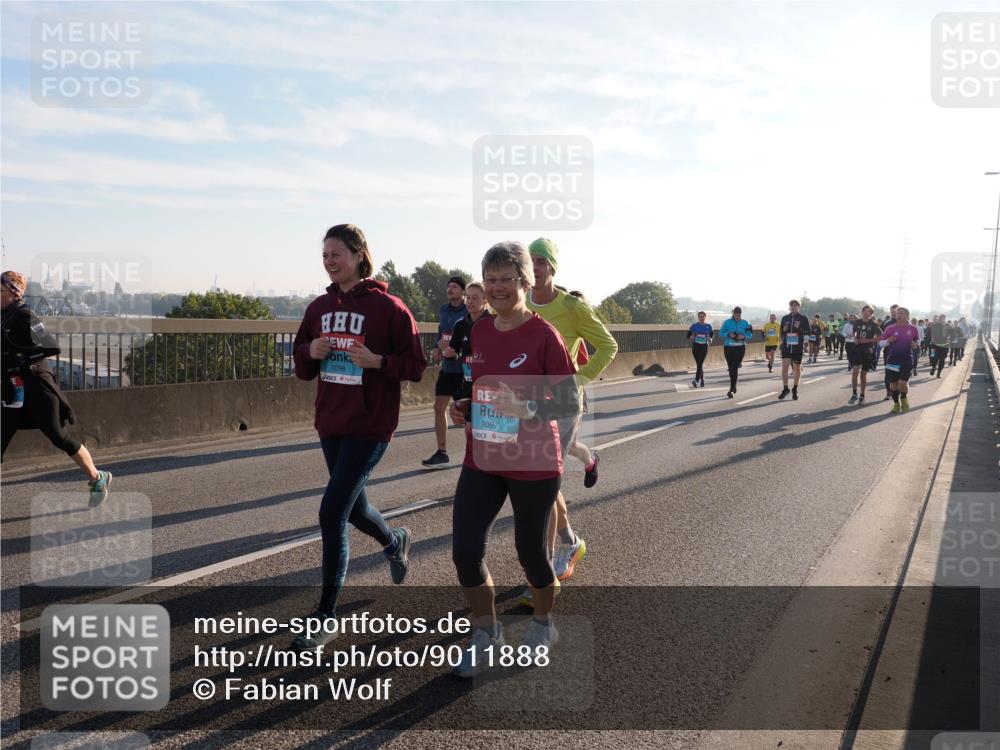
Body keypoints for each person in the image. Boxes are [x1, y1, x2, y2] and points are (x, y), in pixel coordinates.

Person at [290, 224, 426, 650]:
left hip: (370, 427)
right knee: (355, 508)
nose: (330, 261)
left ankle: (325, 615)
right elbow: (301, 367)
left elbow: (415, 366)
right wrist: (308, 353)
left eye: (337, 254)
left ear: (358, 255)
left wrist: (378, 361)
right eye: (325, 255)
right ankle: (394, 540)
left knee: (332, 512)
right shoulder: (317, 308)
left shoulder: (390, 308)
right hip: (331, 422)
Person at [448, 241, 579, 677]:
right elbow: (488, 390)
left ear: (525, 281)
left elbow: (568, 402)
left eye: (506, 279)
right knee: (465, 551)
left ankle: (543, 624)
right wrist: (465, 405)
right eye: (490, 280)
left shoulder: (545, 335)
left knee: (531, 554)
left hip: (534, 460)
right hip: (483, 455)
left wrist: (527, 410)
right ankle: (486, 632)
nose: (498, 287)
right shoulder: (480, 330)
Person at [525, 238, 618, 590]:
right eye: (529, 260)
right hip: (528, 402)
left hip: (563, 403)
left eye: (540, 261)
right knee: (542, 483)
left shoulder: (572, 307)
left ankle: (543, 573)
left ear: (552, 267)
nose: (534, 267)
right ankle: (571, 543)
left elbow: (608, 345)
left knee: (540, 484)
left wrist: (578, 378)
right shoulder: (518, 304)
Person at [1, 271, 113, 506]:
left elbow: (50, 347)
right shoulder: (3, 316)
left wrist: (22, 359)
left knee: (59, 436)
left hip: (36, 387)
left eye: (0, 291)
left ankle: (97, 477)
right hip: (11, 389)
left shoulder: (25, 315)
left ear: (13, 293)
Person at [422, 277, 468, 470]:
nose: (450, 290)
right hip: (447, 369)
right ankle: (442, 452)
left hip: (464, 370)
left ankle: (474, 453)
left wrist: (454, 348)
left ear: (463, 292)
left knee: (469, 415)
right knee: (438, 407)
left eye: (454, 287)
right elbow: (441, 332)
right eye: (448, 287)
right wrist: (436, 347)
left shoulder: (469, 312)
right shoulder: (443, 310)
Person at [443, 281, 492, 401]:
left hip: (489, 387)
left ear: (485, 299)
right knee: (466, 419)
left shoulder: (494, 323)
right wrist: (449, 354)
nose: (470, 301)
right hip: (467, 385)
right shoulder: (460, 325)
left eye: (475, 298)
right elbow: (454, 352)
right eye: (468, 297)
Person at [880, 306, 921, 414]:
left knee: (902, 383)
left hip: (906, 359)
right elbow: (881, 343)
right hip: (892, 359)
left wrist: (915, 344)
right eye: (897, 313)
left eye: (901, 313)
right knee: (893, 385)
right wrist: (888, 340)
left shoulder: (912, 328)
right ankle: (896, 404)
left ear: (907, 315)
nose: (898, 315)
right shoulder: (890, 328)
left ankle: (903, 398)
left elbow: (917, 341)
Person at [847, 306, 881, 405]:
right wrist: (855, 338)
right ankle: (854, 394)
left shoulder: (874, 324)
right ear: (862, 312)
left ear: (871, 314)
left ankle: (862, 395)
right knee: (855, 371)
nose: (866, 313)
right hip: (857, 349)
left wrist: (868, 340)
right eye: (864, 311)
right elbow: (854, 332)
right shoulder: (857, 322)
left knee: (863, 374)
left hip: (868, 351)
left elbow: (881, 336)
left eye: (868, 312)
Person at [778, 300, 811, 401]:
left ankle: (795, 388)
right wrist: (784, 330)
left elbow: (808, 332)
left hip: (797, 347)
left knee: (796, 369)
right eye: (791, 306)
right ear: (789, 307)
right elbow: (781, 332)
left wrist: (799, 328)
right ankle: (785, 388)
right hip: (787, 347)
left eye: (795, 306)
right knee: (784, 368)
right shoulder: (785, 318)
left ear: (798, 307)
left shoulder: (803, 318)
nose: (793, 307)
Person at [718, 307, 753, 398]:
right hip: (728, 348)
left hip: (740, 348)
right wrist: (728, 334)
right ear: (733, 313)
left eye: (739, 315)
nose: (737, 317)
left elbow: (750, 335)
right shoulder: (727, 322)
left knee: (734, 368)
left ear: (741, 314)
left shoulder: (745, 323)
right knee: (731, 368)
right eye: (736, 315)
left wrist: (743, 336)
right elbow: (720, 333)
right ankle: (734, 386)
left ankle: (731, 389)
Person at [687, 311, 713, 386]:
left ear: (705, 317)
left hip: (704, 346)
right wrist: (690, 337)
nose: (701, 318)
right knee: (699, 364)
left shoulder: (708, 326)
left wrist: (710, 339)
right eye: (700, 316)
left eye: (703, 316)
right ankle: (702, 379)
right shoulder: (694, 326)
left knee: (700, 363)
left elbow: (711, 335)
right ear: (698, 317)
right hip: (696, 346)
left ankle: (696, 381)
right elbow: (687, 335)